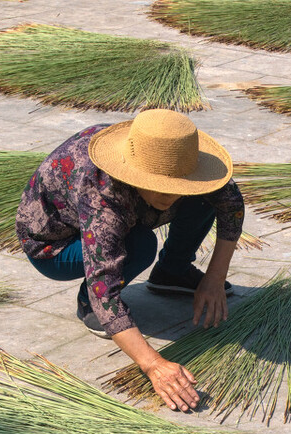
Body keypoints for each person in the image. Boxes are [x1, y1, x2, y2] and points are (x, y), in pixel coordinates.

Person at [16, 109, 244, 412]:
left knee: (204, 197)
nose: (170, 195)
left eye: (177, 185)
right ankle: (86, 302)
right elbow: (106, 292)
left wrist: (214, 278)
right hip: (56, 246)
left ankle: (171, 272)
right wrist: (154, 364)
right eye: (161, 185)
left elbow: (232, 205)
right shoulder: (103, 199)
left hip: (122, 210)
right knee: (139, 246)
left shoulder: (173, 156)